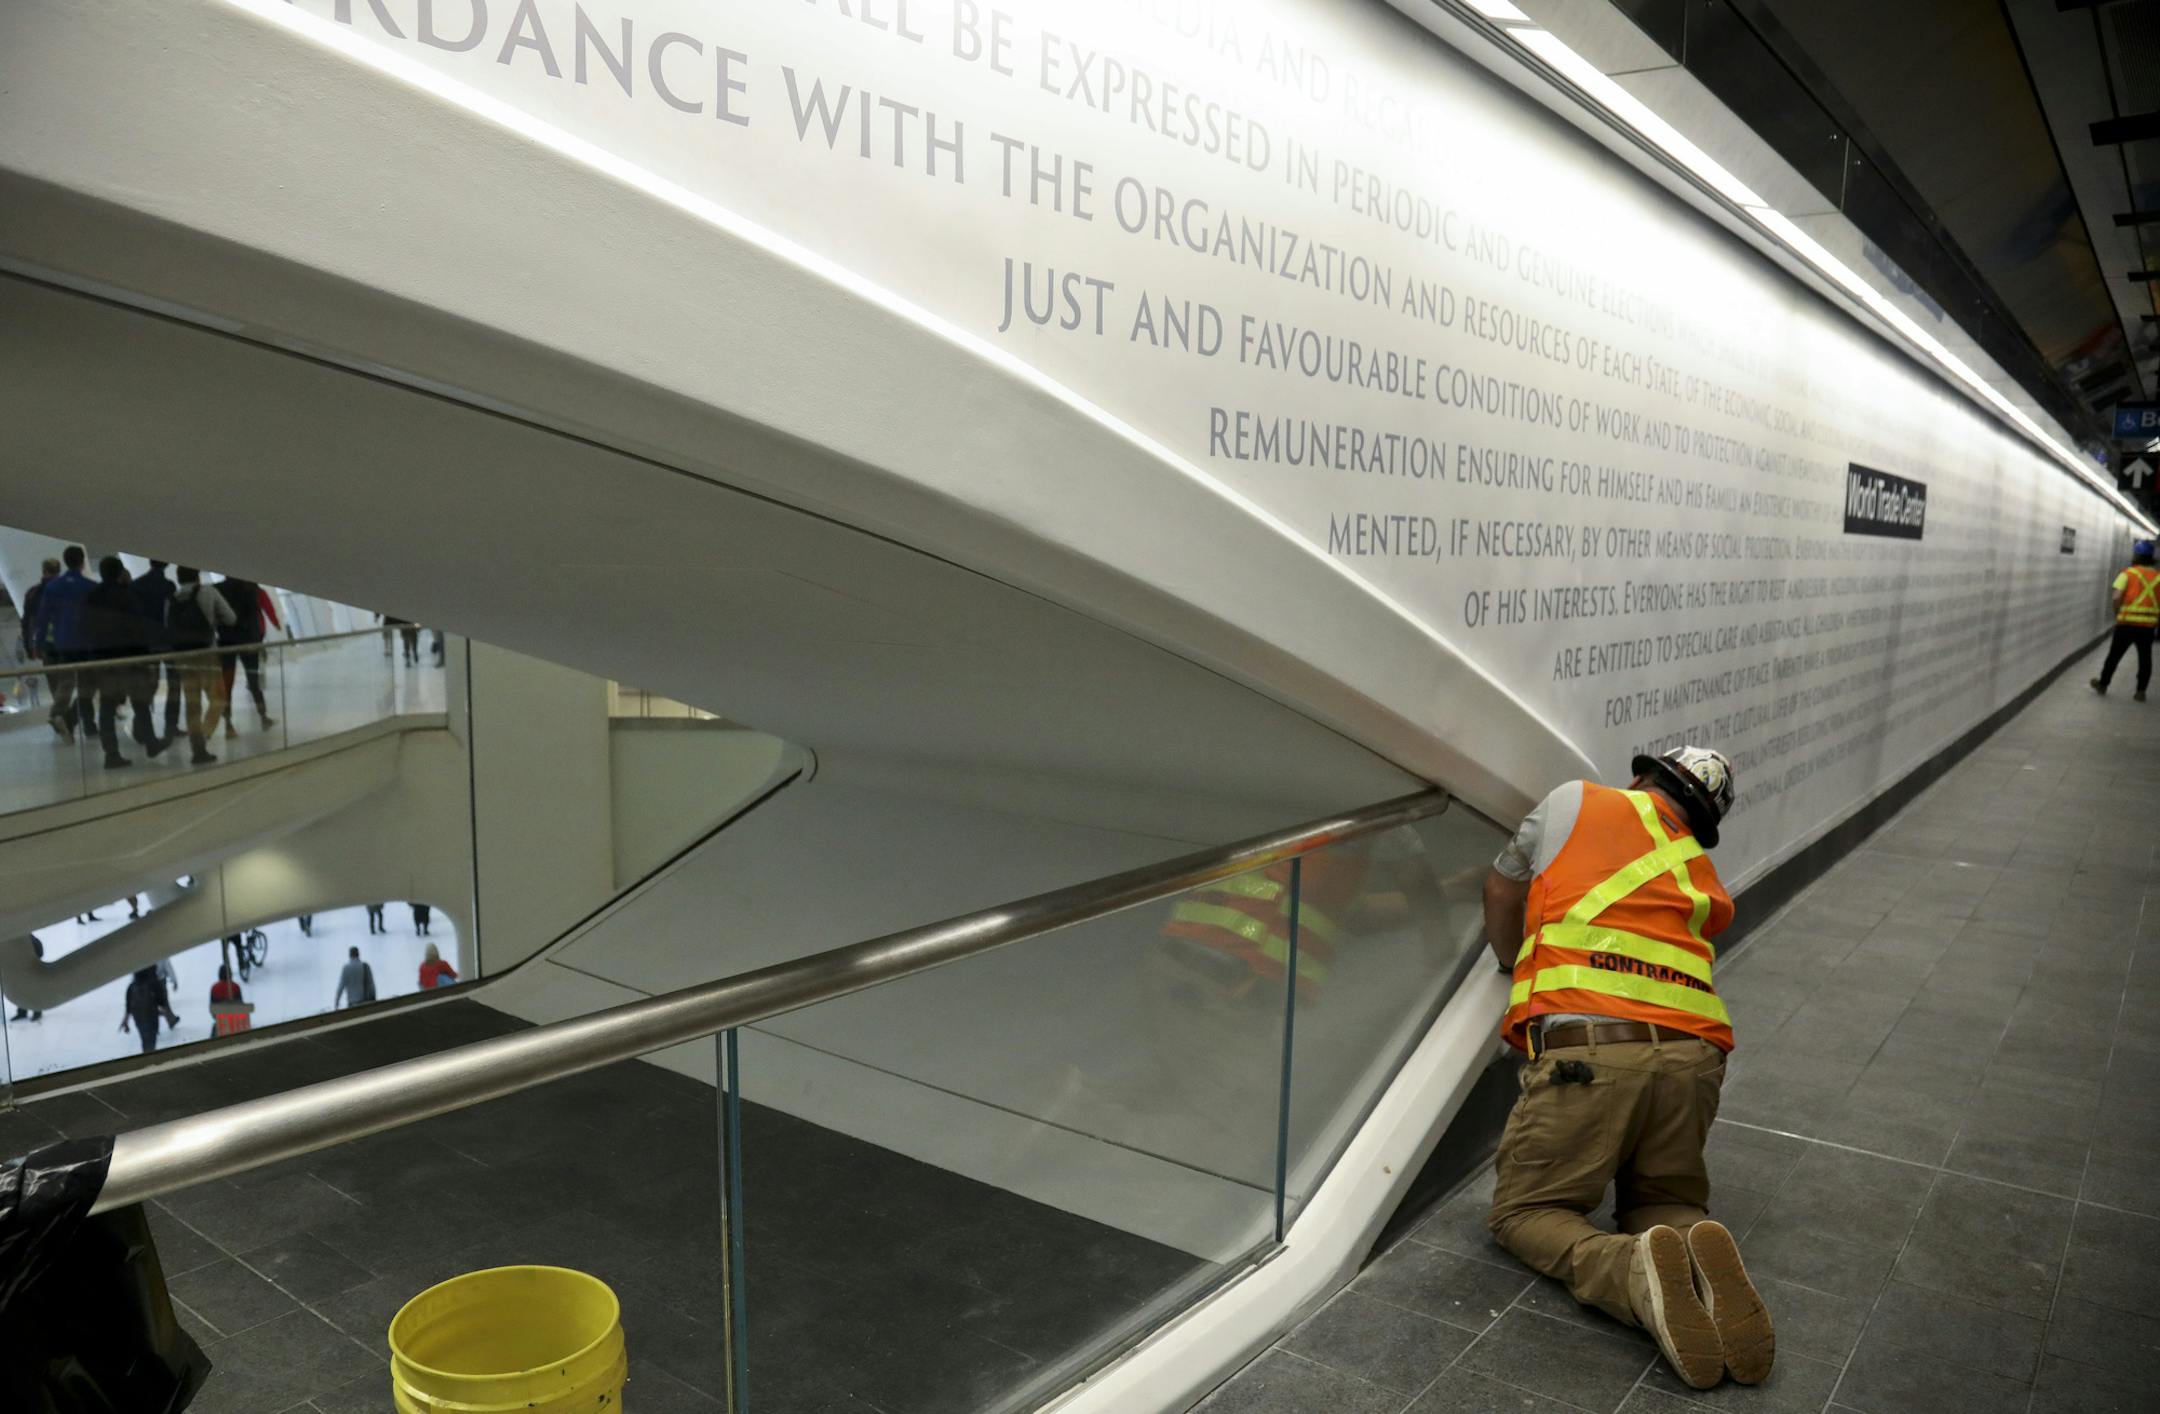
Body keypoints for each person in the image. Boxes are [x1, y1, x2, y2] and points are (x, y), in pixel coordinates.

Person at [1481, 745, 1769, 1391]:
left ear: (1642, 778)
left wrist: (1509, 962)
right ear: (1698, 821)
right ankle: (1693, 1251)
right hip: (1695, 1060)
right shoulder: (1698, 872)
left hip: (1590, 1052)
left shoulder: (1575, 801)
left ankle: (1632, 1273)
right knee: (1664, 1198)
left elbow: (1502, 888)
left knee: (1527, 1213)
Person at [78, 555, 166, 768]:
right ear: (119, 572)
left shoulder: (92, 596)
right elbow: (138, 628)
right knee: (141, 703)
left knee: (107, 707)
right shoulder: (127, 596)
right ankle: (151, 742)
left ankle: (111, 753)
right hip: (130, 658)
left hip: (104, 660)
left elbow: (84, 628)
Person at [167, 567, 237, 764]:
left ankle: (197, 748)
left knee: (192, 704)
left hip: (182, 655)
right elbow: (230, 618)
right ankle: (204, 736)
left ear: (179, 579)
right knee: (218, 698)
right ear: (197, 575)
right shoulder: (208, 592)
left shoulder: (172, 598)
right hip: (206, 653)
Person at [26, 546, 95, 743]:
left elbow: (42, 618)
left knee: (66, 681)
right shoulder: (89, 586)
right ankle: (67, 717)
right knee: (88, 685)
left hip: (62, 642)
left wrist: (37, 644)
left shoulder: (53, 587)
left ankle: (58, 714)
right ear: (82, 562)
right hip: (85, 643)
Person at [2091, 538, 2159, 701]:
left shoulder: (2127, 574)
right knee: (2145, 658)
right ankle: (2140, 691)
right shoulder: (2158, 577)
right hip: (2147, 626)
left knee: (2114, 656)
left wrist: (2117, 613)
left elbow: (2116, 596)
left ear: (2136, 555)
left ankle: (2103, 684)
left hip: (2126, 624)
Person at [214, 574, 280, 734]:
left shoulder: (217, 589)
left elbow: (215, 617)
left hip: (226, 642)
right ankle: (263, 718)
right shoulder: (250, 588)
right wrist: (257, 641)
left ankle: (229, 725)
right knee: (253, 681)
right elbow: (254, 617)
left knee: (227, 684)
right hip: (247, 641)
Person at [131, 559, 181, 741]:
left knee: (149, 685)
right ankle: (171, 726)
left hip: (146, 643)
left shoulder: (137, 585)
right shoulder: (169, 586)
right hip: (168, 642)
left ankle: (141, 725)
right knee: (174, 685)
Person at [18, 559, 58, 730]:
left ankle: (59, 713)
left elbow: (26, 622)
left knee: (54, 680)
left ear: (43, 571)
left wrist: (29, 647)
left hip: (45, 645)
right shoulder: (63, 590)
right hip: (69, 643)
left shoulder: (33, 593)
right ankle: (70, 715)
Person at [120, 966, 181, 1054]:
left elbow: (128, 1007)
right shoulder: (154, 983)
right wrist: (168, 1016)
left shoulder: (131, 987)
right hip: (152, 1017)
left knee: (145, 1040)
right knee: (151, 1040)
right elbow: (162, 1004)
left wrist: (125, 1022)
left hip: (139, 1019)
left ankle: (147, 1056)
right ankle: (150, 1058)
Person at [10, 935, 45, 1022]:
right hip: (19, 971)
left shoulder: (32, 939)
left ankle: (37, 1012)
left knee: (33, 991)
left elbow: (40, 953)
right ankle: (22, 1012)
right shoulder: (14, 939)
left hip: (31, 969)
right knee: (20, 991)